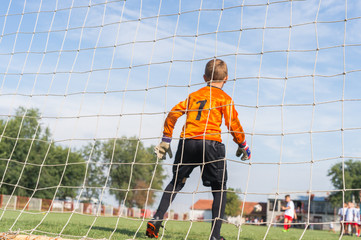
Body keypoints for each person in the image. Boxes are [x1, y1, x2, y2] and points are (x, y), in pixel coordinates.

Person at [145, 59, 251, 240]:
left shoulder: (194, 96)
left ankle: (155, 220)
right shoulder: (224, 98)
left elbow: (173, 113)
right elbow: (233, 124)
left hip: (187, 142)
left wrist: (166, 138)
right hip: (211, 144)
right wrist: (243, 144)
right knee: (219, 189)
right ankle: (215, 236)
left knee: (177, 182)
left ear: (204, 78)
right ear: (226, 79)